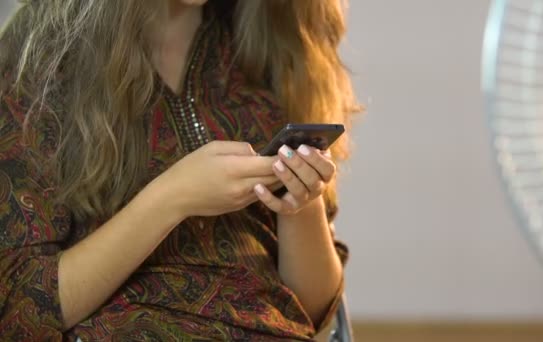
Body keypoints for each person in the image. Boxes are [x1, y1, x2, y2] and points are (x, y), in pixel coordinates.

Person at [0, 0, 359, 340]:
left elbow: (312, 315)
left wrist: (301, 205)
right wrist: (172, 198)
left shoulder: (272, 48)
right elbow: (23, 313)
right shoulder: (37, 63)